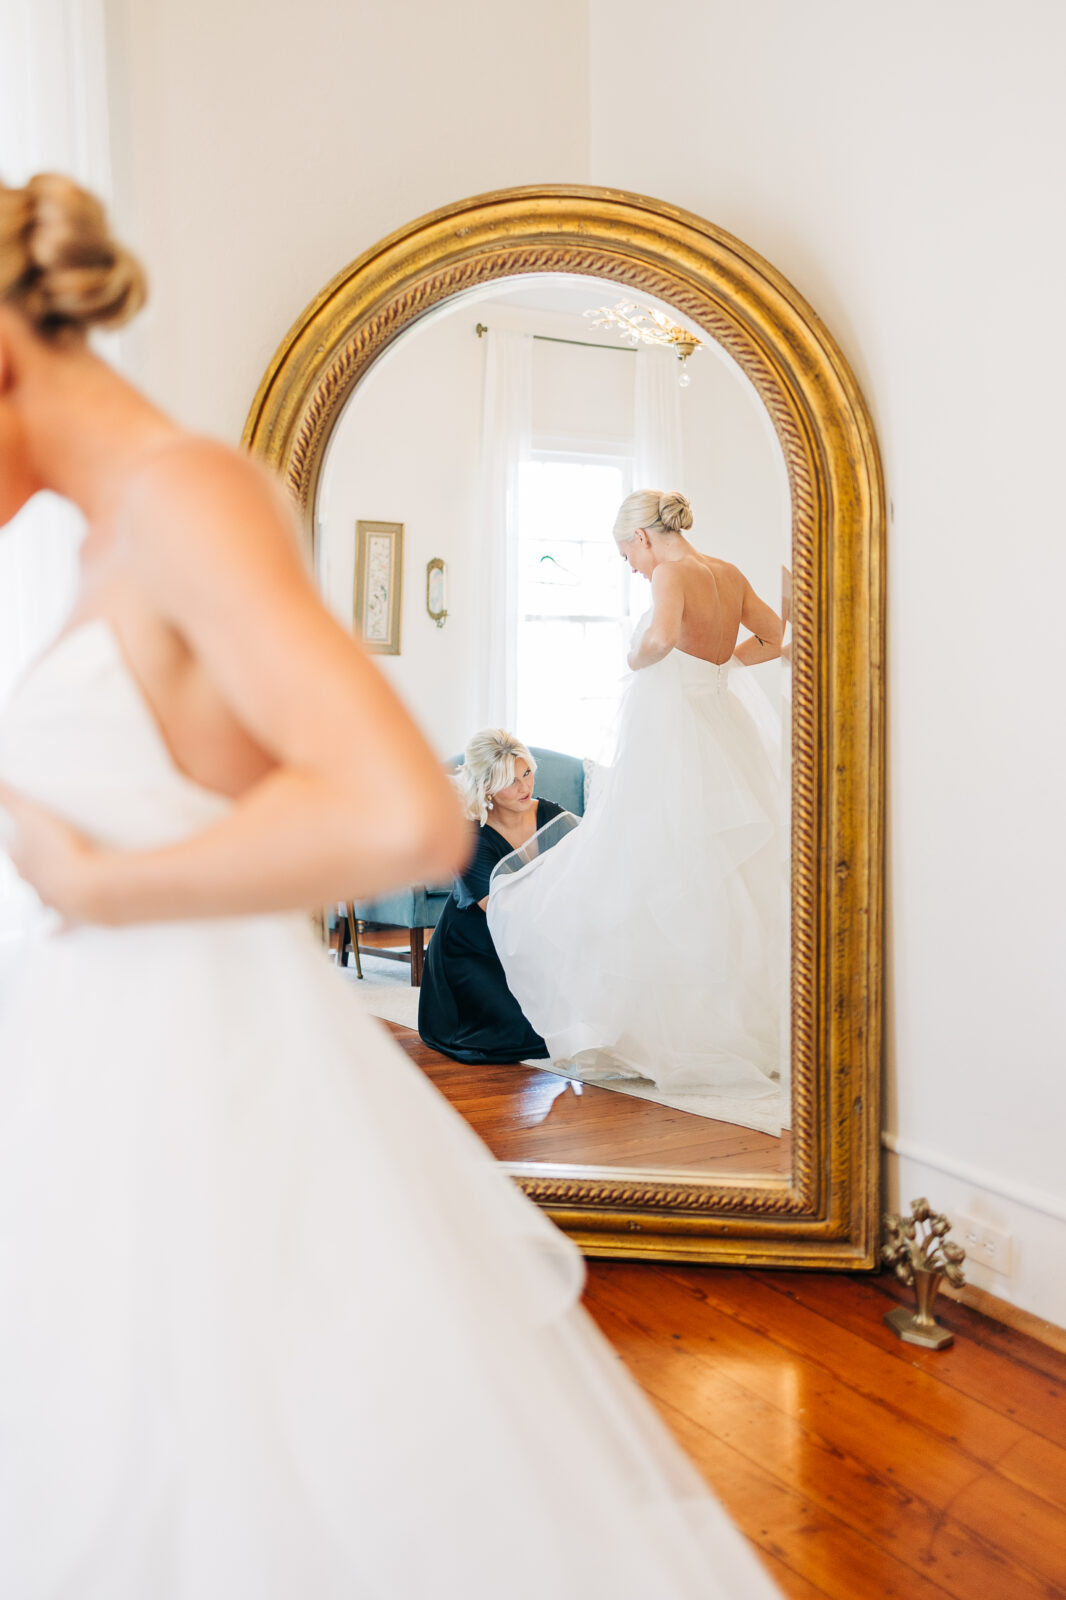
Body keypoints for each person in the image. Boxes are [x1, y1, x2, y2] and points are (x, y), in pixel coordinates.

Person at [0, 176, 780, 1598]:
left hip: (190, 1051)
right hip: (103, 1059)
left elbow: (389, 810)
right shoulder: (110, 535)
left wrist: (102, 883)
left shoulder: (187, 498)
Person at [488, 488, 786, 1101]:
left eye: (627, 555)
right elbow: (776, 636)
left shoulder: (671, 574)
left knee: (656, 865)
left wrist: (634, 653)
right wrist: (724, 664)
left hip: (675, 735)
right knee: (723, 873)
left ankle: (666, 1030)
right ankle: (739, 1025)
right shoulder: (727, 573)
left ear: (644, 538)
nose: (631, 567)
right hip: (721, 729)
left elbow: (659, 638)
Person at [417, 729, 566, 1063]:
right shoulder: (469, 835)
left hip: (532, 940)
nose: (524, 787)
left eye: (526, 773)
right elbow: (499, 909)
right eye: (510, 781)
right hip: (476, 951)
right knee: (516, 1034)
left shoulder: (551, 816)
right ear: (486, 787)